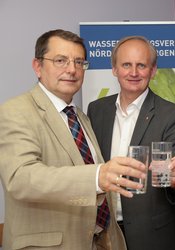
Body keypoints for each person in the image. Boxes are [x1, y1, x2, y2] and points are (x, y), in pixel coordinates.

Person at [0, 29, 147, 249]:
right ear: (37, 66)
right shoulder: (15, 111)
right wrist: (98, 176)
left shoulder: (80, 116)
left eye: (79, 62)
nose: (72, 69)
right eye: (61, 60)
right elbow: (20, 178)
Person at [87, 35, 175, 250]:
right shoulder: (96, 110)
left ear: (152, 71)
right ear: (114, 69)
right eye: (126, 65)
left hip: (153, 235)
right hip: (105, 231)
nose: (133, 73)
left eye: (141, 65)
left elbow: (173, 173)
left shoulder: (172, 114)